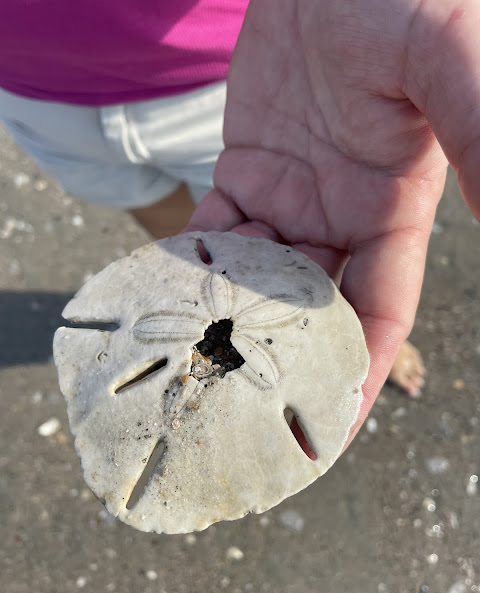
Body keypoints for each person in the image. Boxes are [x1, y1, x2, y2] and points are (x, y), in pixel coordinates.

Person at [1, 1, 479, 446]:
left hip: (249, 71)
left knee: (316, 249)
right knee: (187, 238)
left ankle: (353, 338)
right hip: (31, 91)